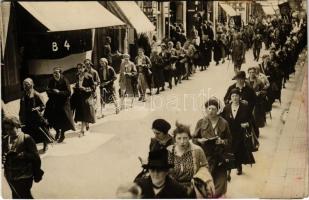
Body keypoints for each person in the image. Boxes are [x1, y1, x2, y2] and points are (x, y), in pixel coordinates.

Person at [192, 98, 232, 198]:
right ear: (206, 110)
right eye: (208, 108)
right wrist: (199, 141)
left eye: (213, 109)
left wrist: (222, 141)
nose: (211, 111)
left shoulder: (224, 123)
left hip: (219, 157)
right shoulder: (201, 122)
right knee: (205, 180)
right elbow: (194, 139)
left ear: (218, 110)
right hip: (205, 157)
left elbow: (230, 140)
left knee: (219, 184)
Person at [167, 122, 215, 198]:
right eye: (179, 138)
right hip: (174, 188)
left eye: (185, 138)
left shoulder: (197, 150)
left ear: (189, 138)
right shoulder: (169, 151)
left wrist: (199, 178)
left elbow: (205, 166)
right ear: (174, 139)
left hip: (193, 187)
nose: (182, 141)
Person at [2, 116, 43, 199]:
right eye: (6, 129)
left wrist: (23, 155)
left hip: (24, 176)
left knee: (24, 196)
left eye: (11, 129)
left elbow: (36, 157)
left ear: (17, 126)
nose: (9, 131)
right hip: (10, 176)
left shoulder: (26, 138)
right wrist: (3, 158)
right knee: (17, 196)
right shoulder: (5, 140)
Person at [221, 88, 256, 175]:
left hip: (240, 133)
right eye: (233, 96)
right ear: (230, 98)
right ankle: (229, 167)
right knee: (230, 150)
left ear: (240, 97)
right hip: (230, 133)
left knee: (239, 150)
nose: (235, 98)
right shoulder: (227, 108)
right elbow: (222, 119)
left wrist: (247, 124)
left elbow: (251, 120)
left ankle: (239, 166)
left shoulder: (245, 107)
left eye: (236, 96)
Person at [19, 78, 52, 152]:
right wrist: (21, 117)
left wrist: (37, 108)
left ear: (31, 84)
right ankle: (33, 148)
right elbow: (21, 107)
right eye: (24, 84)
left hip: (36, 117)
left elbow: (43, 105)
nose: (25, 86)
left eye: (27, 84)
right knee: (30, 133)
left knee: (42, 132)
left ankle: (45, 144)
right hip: (28, 117)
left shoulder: (36, 94)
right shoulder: (23, 96)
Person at [44, 67, 75, 143]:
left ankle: (62, 134)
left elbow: (68, 92)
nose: (55, 74)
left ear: (60, 73)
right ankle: (57, 131)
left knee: (64, 119)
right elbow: (47, 90)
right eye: (54, 73)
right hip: (54, 102)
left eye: (57, 73)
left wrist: (59, 92)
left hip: (63, 102)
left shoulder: (64, 80)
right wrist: (53, 93)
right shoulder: (51, 80)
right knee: (52, 118)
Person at [71, 63, 96, 136]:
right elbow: (77, 84)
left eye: (81, 68)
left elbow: (93, 88)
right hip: (79, 96)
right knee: (82, 112)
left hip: (87, 96)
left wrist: (85, 89)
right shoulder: (77, 76)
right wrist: (75, 87)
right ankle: (86, 124)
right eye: (78, 68)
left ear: (84, 68)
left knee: (85, 109)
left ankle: (82, 130)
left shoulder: (89, 76)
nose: (79, 69)